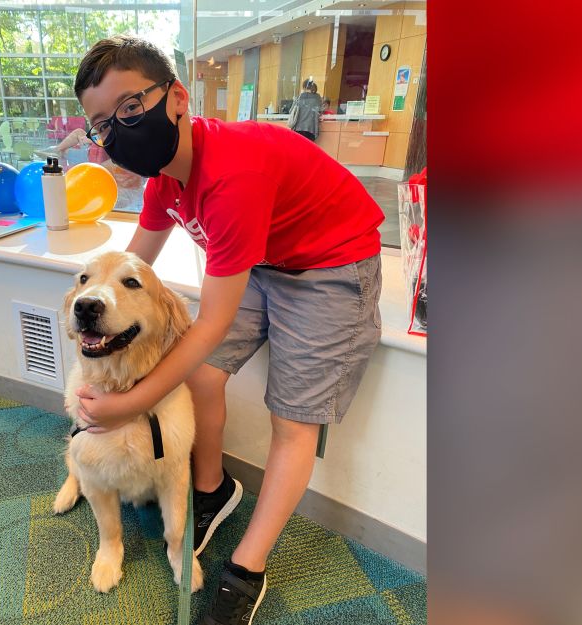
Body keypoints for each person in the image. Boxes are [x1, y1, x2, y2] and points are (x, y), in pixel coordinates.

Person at [71, 35, 384, 625]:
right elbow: (131, 268)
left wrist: (128, 404)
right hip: (263, 259)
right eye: (102, 125)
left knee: (293, 422)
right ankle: (214, 490)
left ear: (178, 97)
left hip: (334, 266)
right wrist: (92, 316)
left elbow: (211, 324)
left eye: (130, 108)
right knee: (203, 378)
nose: (117, 131)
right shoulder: (167, 177)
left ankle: (247, 566)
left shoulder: (232, 175)